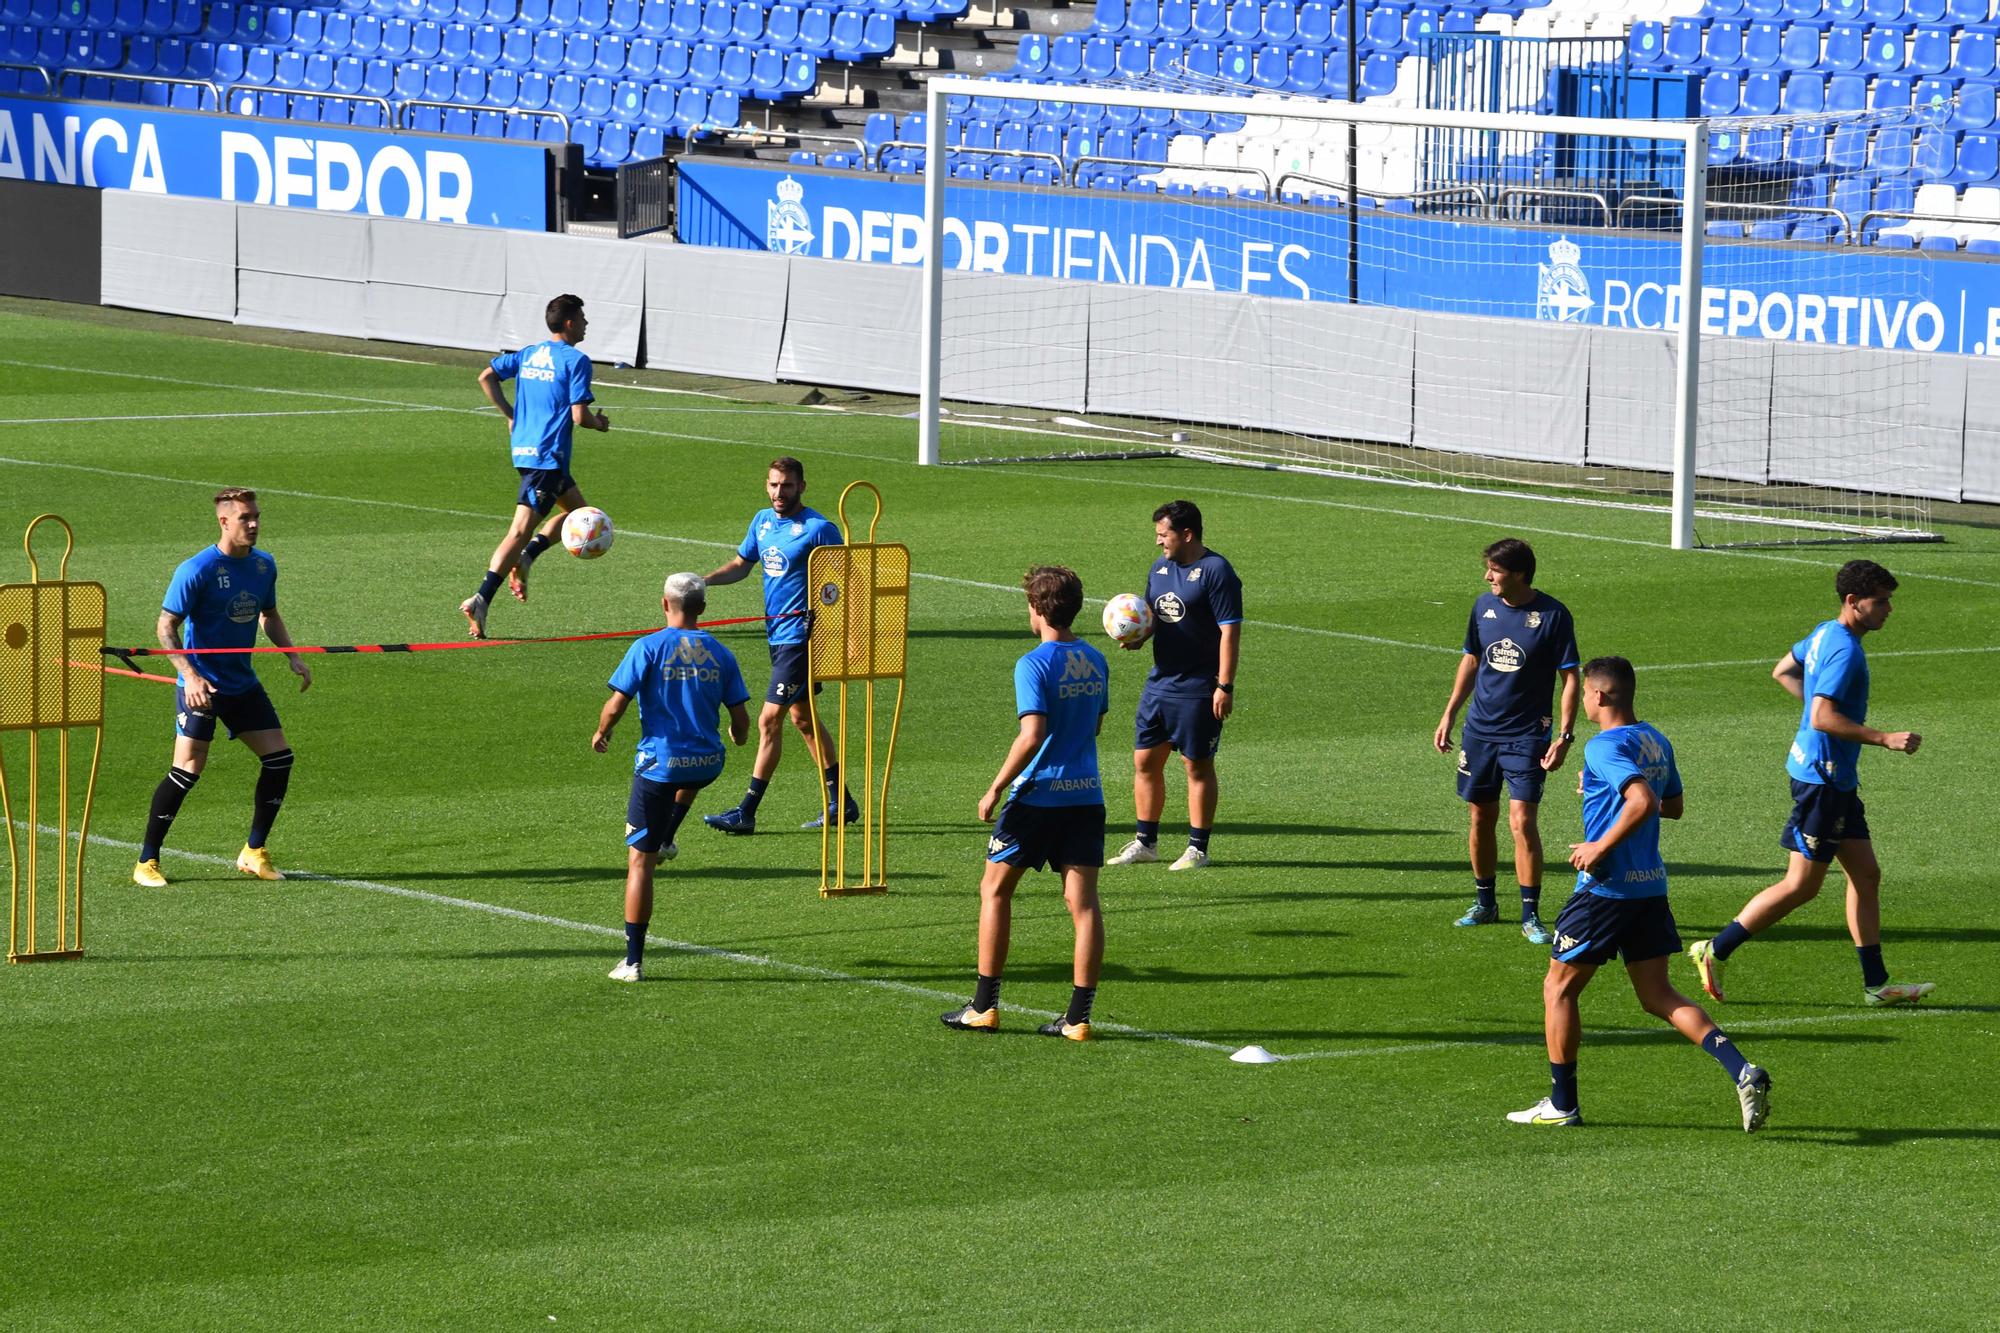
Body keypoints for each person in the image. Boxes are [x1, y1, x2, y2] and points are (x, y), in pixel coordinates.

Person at [1507, 656, 1770, 1132]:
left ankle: (1562, 1103)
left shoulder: (1603, 747)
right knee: (1657, 994)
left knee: (1558, 988)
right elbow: (1673, 806)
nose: (1584, 700)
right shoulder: (1655, 739)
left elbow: (1645, 802)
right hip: (1650, 888)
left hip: (1605, 891)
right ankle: (1742, 1070)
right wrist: (1603, 796)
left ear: (1601, 696)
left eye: (1585, 693)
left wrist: (1599, 844)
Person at [1687, 560, 1934, 1008]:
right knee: (1801, 886)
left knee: (1866, 874)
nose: (1889, 610)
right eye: (1881, 602)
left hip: (1832, 777)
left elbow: (1783, 670)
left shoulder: (1824, 633)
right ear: (1852, 602)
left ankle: (1876, 984)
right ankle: (1714, 949)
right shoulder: (1845, 650)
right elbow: (1822, 716)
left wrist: (1818, 719)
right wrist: (1884, 738)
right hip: (1823, 779)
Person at [942, 566, 1109, 1040]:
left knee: (995, 890)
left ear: (1036, 608)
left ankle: (983, 1007)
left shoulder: (1033, 663)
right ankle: (1078, 1018)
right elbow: (1095, 726)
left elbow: (1032, 733)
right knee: (1084, 905)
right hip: (1087, 795)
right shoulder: (1095, 659)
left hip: (1038, 797)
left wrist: (995, 787)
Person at [132, 488, 311, 887]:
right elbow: (166, 626)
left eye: (257, 516)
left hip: (242, 682)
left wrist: (292, 655)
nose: (254, 524)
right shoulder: (196, 569)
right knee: (188, 770)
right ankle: (147, 861)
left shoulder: (264, 566)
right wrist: (190, 676)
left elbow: (269, 615)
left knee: (280, 758)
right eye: (245, 517)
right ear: (224, 521)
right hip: (202, 686)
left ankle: (253, 851)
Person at [593, 573, 751, 983]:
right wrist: (737, 736)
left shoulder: (647, 647)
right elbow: (740, 721)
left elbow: (616, 704)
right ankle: (668, 836)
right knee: (688, 775)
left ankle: (632, 961)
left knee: (639, 863)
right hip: (708, 764)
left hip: (661, 765)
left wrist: (602, 732)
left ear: (665, 604)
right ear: (703, 608)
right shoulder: (722, 652)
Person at [699, 456, 857, 834]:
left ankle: (746, 811)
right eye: (773, 485)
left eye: (786, 485)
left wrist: (848, 635)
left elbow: (849, 582)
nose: (778, 492)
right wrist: (703, 581)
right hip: (778, 638)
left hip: (803, 640)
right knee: (803, 720)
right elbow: (742, 564)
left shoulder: (819, 529)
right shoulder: (762, 522)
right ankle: (843, 803)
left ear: (802, 486)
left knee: (770, 720)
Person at [1433, 537, 1579, 944]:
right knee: (1480, 816)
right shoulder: (1484, 606)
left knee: (1522, 820)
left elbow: (1570, 677)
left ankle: (1530, 915)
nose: (1487, 576)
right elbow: (1472, 660)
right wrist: (1449, 714)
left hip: (1527, 735)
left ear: (1518, 573)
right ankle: (1485, 903)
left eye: (1494, 570)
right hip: (1480, 731)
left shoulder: (1553, 615)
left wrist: (1565, 735)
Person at [460, 293, 610, 639]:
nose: (586, 324)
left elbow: (486, 376)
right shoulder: (576, 360)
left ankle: (527, 557)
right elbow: (579, 415)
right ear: (570, 323)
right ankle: (481, 597)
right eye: (583, 319)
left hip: (528, 452)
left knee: (584, 514)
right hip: (548, 456)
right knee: (519, 530)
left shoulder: (529, 353)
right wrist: (599, 424)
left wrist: (511, 415)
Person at [1105, 500, 1241, 872]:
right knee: (1145, 761)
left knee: (1196, 765)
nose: (1158, 542)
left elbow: (1230, 632)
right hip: (1160, 683)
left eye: (1163, 535)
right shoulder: (1160, 568)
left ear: (1187, 534)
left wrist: (1224, 686)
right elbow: (1151, 617)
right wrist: (1138, 638)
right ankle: (1145, 843)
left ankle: (1198, 848)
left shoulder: (1217, 571)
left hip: (1199, 687)